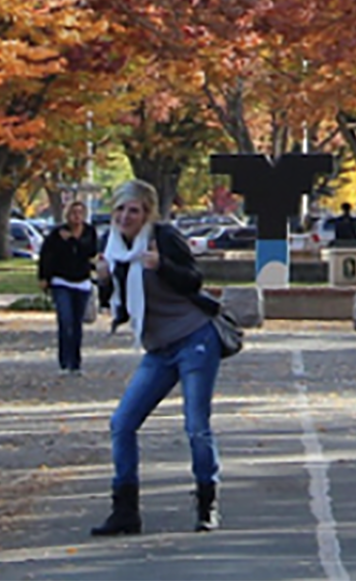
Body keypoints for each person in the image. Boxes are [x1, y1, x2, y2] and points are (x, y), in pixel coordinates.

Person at [92, 179, 226, 536]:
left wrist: (162, 265)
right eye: (119, 209)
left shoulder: (163, 238)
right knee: (122, 423)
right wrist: (103, 280)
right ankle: (125, 511)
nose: (124, 216)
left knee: (196, 425)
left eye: (133, 210)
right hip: (158, 348)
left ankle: (206, 503)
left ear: (146, 213)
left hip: (194, 337)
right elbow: (118, 306)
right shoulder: (114, 247)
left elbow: (194, 280)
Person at [38, 199, 99, 375]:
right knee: (66, 322)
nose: (76, 217)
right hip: (61, 282)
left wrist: (73, 240)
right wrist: (44, 277)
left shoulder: (89, 232)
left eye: (80, 213)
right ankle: (64, 363)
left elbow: (91, 251)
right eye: (73, 213)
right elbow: (47, 256)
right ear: (67, 215)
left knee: (77, 324)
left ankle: (76, 363)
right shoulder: (57, 233)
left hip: (82, 282)